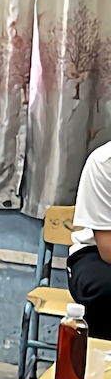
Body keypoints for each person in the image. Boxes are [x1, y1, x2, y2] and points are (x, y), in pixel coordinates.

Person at [73, 140, 111, 343]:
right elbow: (107, 247)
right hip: (95, 252)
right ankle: (101, 366)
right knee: (105, 288)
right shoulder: (104, 163)